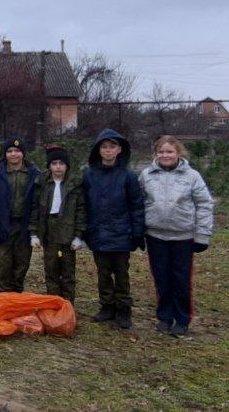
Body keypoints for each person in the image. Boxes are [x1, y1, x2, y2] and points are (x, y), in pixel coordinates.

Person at [139, 136, 213, 337]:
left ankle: (182, 319)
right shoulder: (147, 175)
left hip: (183, 237)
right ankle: (164, 316)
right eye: (161, 152)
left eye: (169, 151)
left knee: (181, 279)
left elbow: (204, 205)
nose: (165, 155)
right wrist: (138, 231)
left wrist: (202, 235)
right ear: (156, 154)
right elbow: (139, 203)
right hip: (155, 236)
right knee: (161, 278)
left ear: (178, 153)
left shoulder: (192, 176)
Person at [82, 128, 145, 330]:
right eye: (104, 147)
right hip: (98, 234)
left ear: (119, 150)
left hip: (121, 234)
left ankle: (124, 309)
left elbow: (136, 205)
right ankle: (107, 307)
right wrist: (85, 230)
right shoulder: (89, 176)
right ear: (98, 150)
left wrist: (137, 232)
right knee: (103, 273)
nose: (108, 151)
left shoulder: (128, 177)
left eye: (112, 147)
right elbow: (84, 205)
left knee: (121, 273)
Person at [0, 138, 41, 293]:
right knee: (2, 265)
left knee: (21, 265)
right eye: (9, 151)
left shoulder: (34, 174)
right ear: (5, 154)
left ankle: (16, 296)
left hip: (24, 227)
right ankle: (3, 297)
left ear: (23, 153)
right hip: (2, 225)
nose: (13, 154)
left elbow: (37, 203)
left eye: (17, 151)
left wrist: (34, 228)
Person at [32, 145, 86, 304]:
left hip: (68, 235)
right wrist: (34, 233)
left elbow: (81, 211)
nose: (58, 167)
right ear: (49, 165)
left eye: (61, 163)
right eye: (54, 163)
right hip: (49, 234)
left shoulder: (75, 185)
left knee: (68, 273)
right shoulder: (42, 184)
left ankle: (68, 305)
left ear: (66, 166)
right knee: (51, 271)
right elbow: (35, 210)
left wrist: (78, 236)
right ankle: (53, 304)